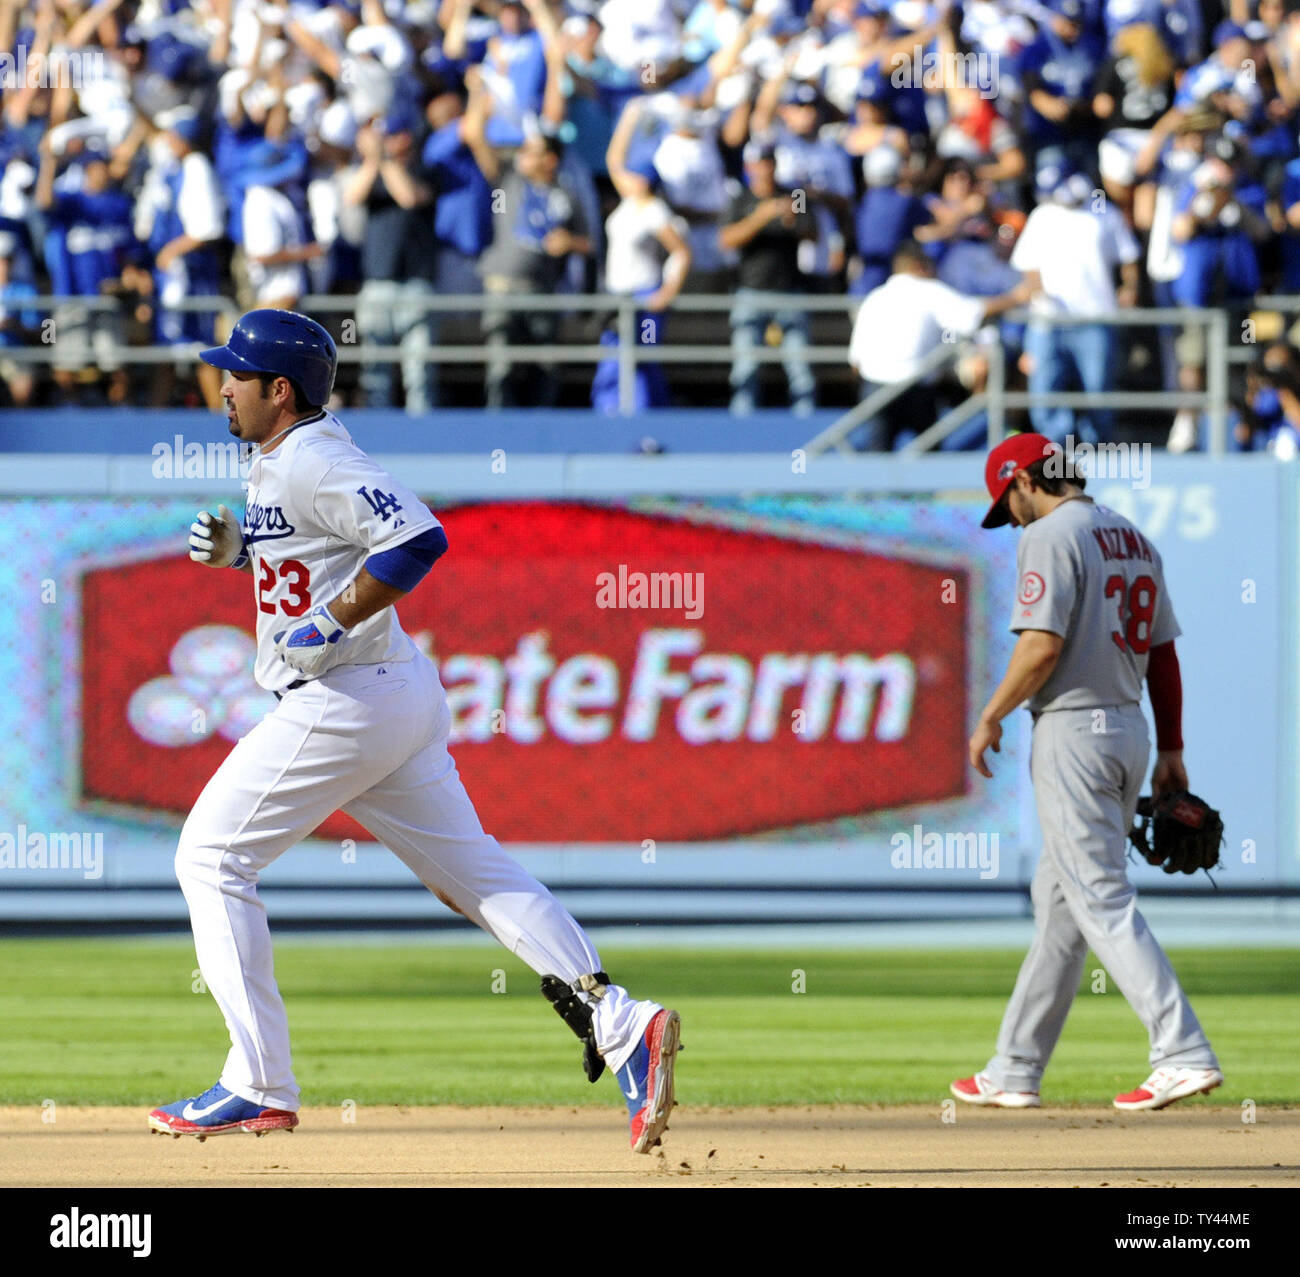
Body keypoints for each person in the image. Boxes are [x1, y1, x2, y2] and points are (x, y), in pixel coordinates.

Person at [149, 309, 680, 1154]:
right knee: (472, 873)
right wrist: (243, 553)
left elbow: (416, 537)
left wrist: (331, 620)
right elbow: (318, 539)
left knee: (210, 856)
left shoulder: (316, 454)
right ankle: (625, 1022)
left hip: (343, 696)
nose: (223, 386)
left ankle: (256, 1083)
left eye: (237, 375)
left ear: (278, 391)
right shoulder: (289, 451)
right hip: (389, 695)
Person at [953, 431, 1223, 1112]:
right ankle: (1015, 1065)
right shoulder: (1131, 535)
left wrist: (989, 715)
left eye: (1006, 501)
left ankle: (1181, 1049)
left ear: (1024, 480)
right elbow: (1162, 653)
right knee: (1061, 905)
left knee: (1097, 896)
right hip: (1128, 728)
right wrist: (1171, 748)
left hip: (1074, 728)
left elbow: (1041, 648)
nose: (1009, 517)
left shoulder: (1048, 536)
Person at [847, 241, 1030, 450]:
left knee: (876, 460)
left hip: (874, 388)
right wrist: (1017, 297)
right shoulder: (928, 290)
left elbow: (855, 362)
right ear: (920, 266)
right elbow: (971, 315)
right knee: (928, 459)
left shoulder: (874, 298)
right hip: (916, 389)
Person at [719, 139, 818, 416]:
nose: (764, 169)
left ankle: (804, 418)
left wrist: (791, 220)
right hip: (751, 289)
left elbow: (812, 233)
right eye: (758, 163)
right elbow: (726, 240)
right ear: (749, 167)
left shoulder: (794, 195)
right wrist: (760, 218)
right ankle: (742, 419)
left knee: (799, 364)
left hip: (789, 289)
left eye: (768, 162)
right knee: (746, 364)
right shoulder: (741, 199)